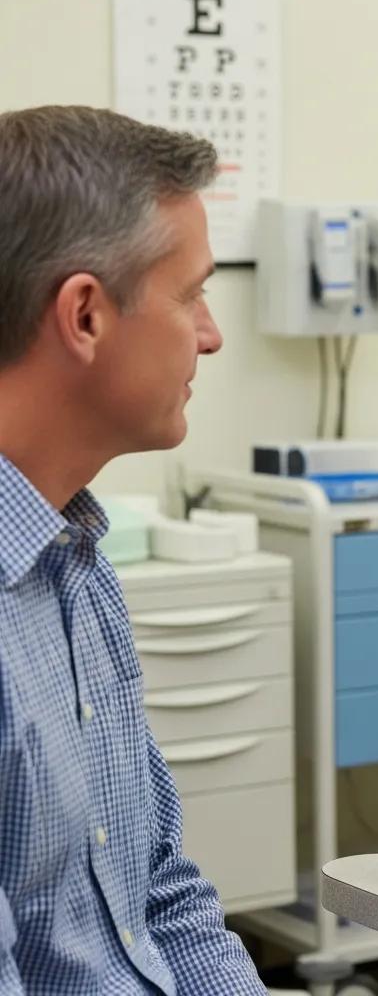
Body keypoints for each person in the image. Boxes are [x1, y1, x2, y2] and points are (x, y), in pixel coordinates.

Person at [0, 106, 266, 993]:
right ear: (84, 315)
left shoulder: (74, 559)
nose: (212, 333)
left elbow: (158, 896)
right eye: (191, 293)